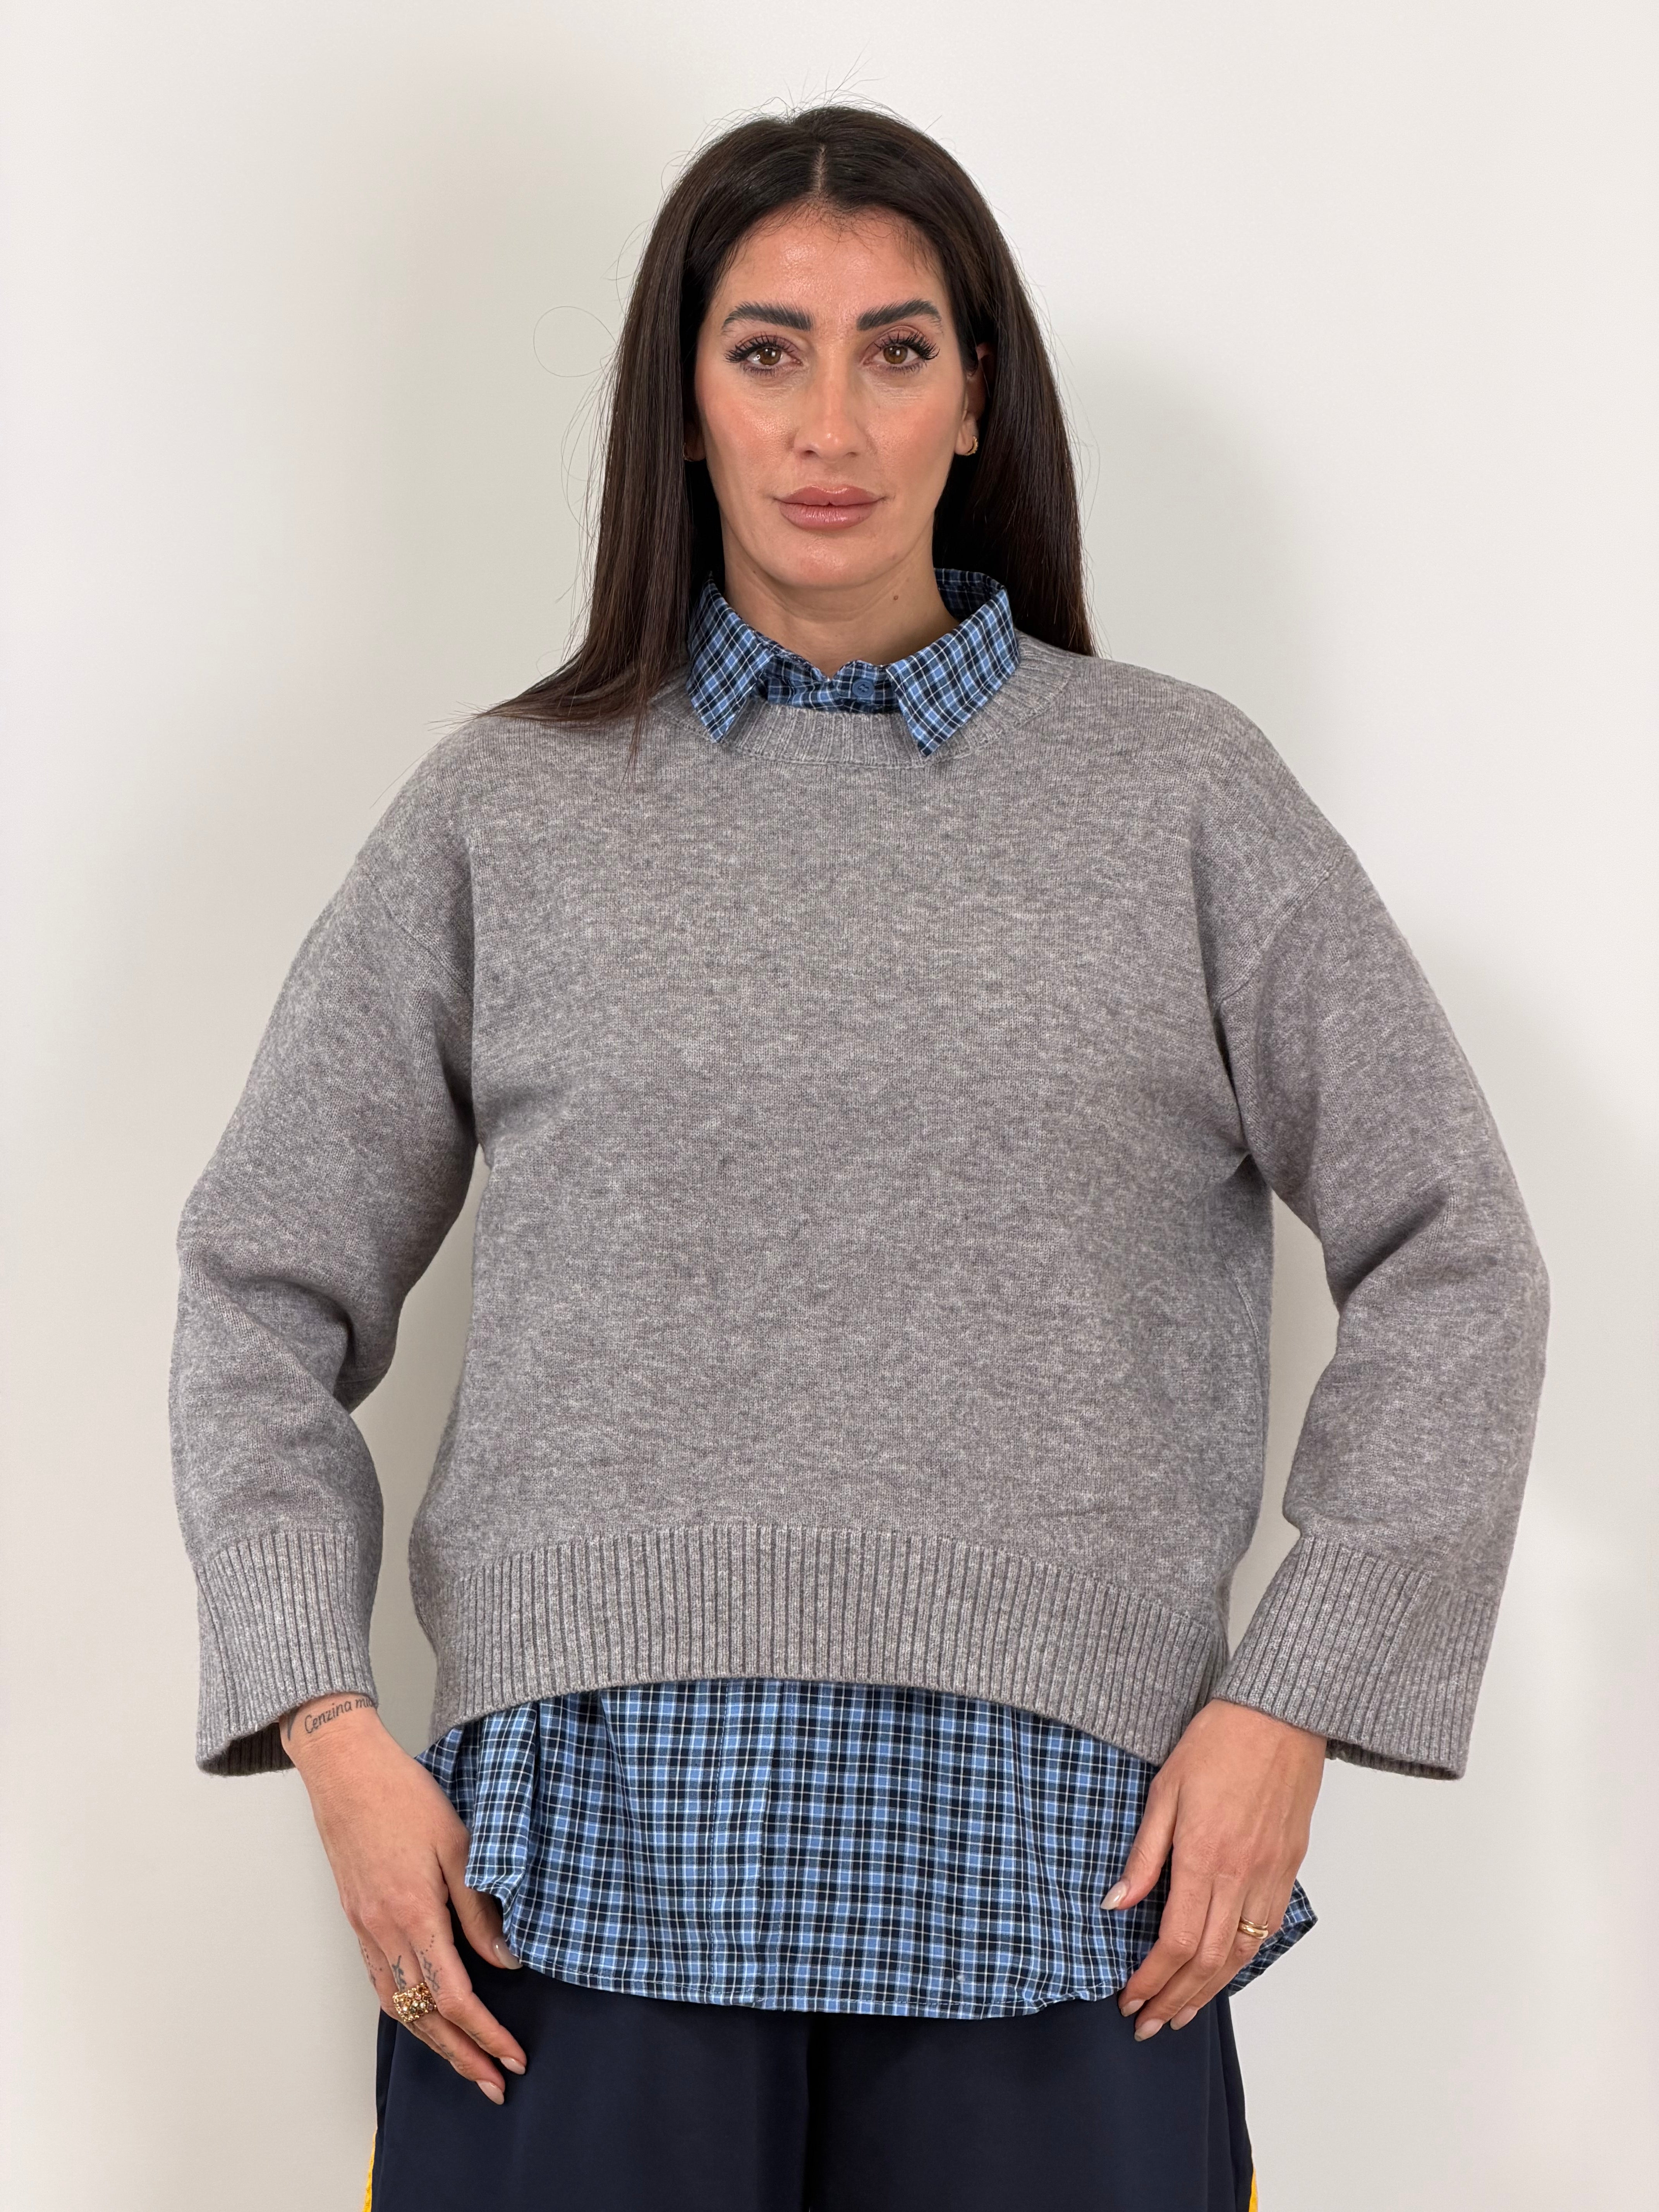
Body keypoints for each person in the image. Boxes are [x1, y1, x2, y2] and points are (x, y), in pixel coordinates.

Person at [168, 103, 1550, 2212]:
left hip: (1075, 1880)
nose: (832, 425)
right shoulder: (502, 814)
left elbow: (1458, 1252)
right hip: (571, 1883)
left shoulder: (1181, 799)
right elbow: (259, 1282)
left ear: (977, 397)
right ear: (685, 401)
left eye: (897, 352)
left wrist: (1294, 1704)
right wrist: (329, 1729)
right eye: (767, 352)